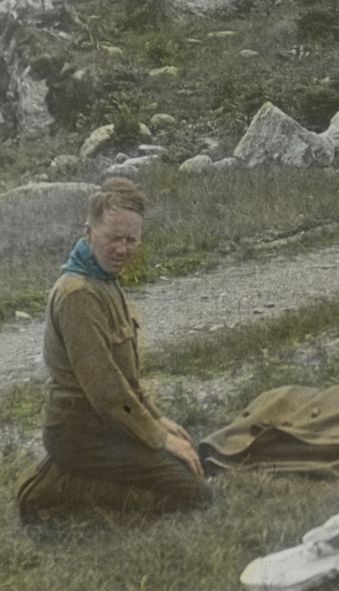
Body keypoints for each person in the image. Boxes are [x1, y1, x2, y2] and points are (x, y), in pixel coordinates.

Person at [15, 179, 212, 525]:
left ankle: (77, 474)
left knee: (189, 464)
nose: (122, 249)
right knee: (191, 493)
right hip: (80, 434)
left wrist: (159, 422)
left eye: (131, 240)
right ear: (89, 232)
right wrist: (158, 437)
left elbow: (126, 379)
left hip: (108, 425)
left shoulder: (104, 279)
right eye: (113, 238)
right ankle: (58, 485)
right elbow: (106, 389)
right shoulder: (79, 294)